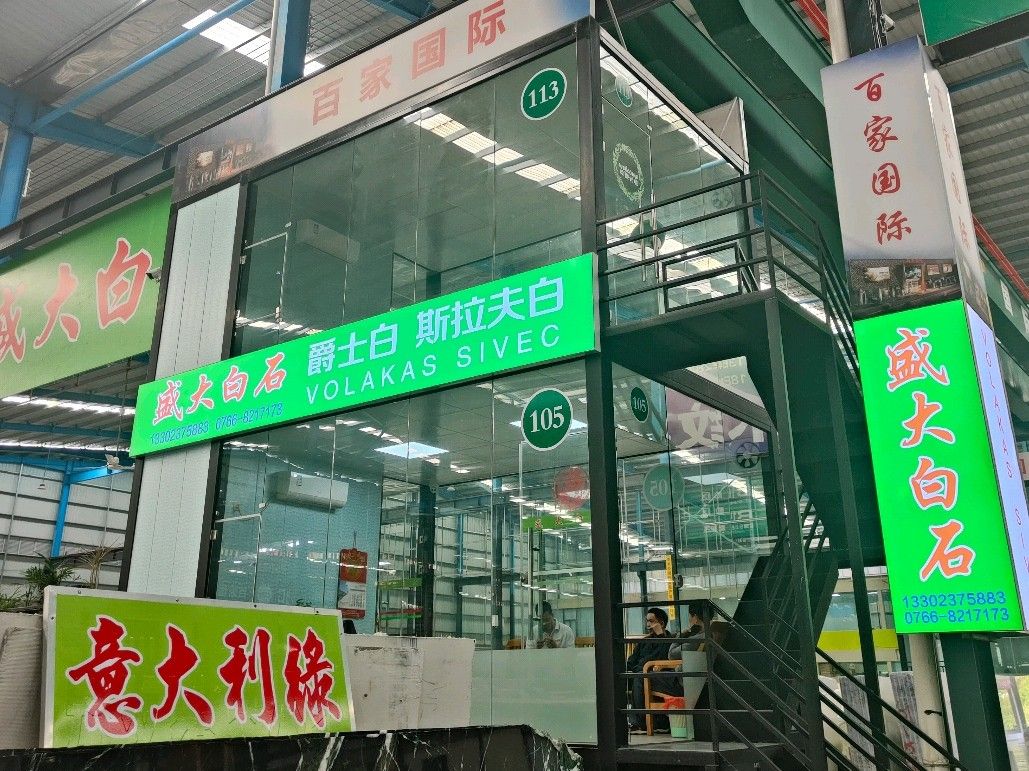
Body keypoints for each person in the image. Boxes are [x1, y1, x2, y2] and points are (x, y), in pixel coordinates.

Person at [626, 607, 682, 733]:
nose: (648, 624)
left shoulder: (670, 641)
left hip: (656, 674)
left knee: (640, 677)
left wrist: (661, 635)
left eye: (651, 621)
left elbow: (666, 657)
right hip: (640, 671)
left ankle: (640, 722)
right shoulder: (644, 641)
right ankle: (631, 720)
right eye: (647, 621)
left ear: (661, 623)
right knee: (622, 678)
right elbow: (631, 661)